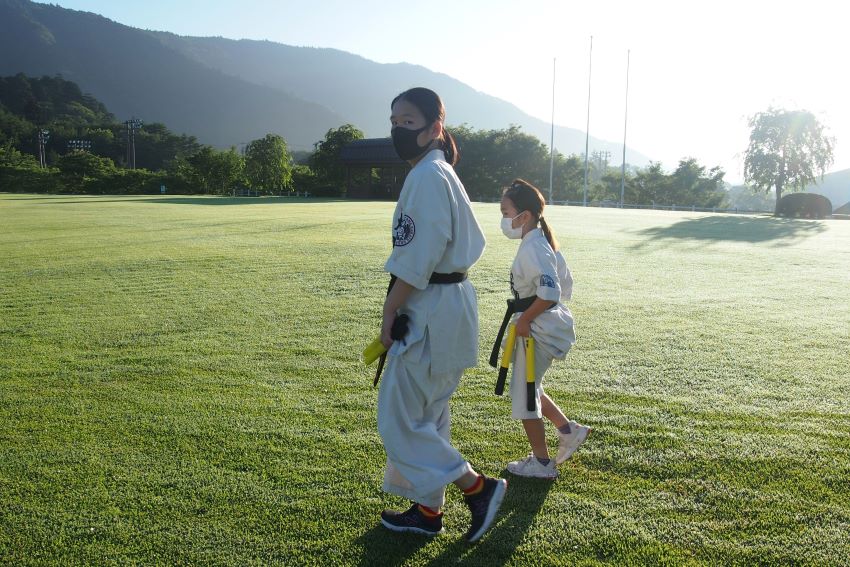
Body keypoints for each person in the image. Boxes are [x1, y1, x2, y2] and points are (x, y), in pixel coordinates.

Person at [376, 87, 507, 541]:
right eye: (394, 121)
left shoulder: (428, 176)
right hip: (447, 305)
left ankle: (478, 488)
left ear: (435, 128)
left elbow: (420, 256)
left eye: (408, 121)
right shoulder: (438, 171)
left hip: (430, 307)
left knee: (400, 421)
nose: (398, 129)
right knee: (429, 417)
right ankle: (428, 511)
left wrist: (390, 312)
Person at [496, 179, 591, 479]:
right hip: (542, 323)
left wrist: (525, 320)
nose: (503, 219)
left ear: (524, 216)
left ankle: (542, 463)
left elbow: (550, 292)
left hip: (538, 327)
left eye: (506, 212)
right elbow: (564, 284)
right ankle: (568, 430)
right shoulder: (540, 242)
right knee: (530, 386)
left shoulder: (534, 246)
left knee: (524, 396)